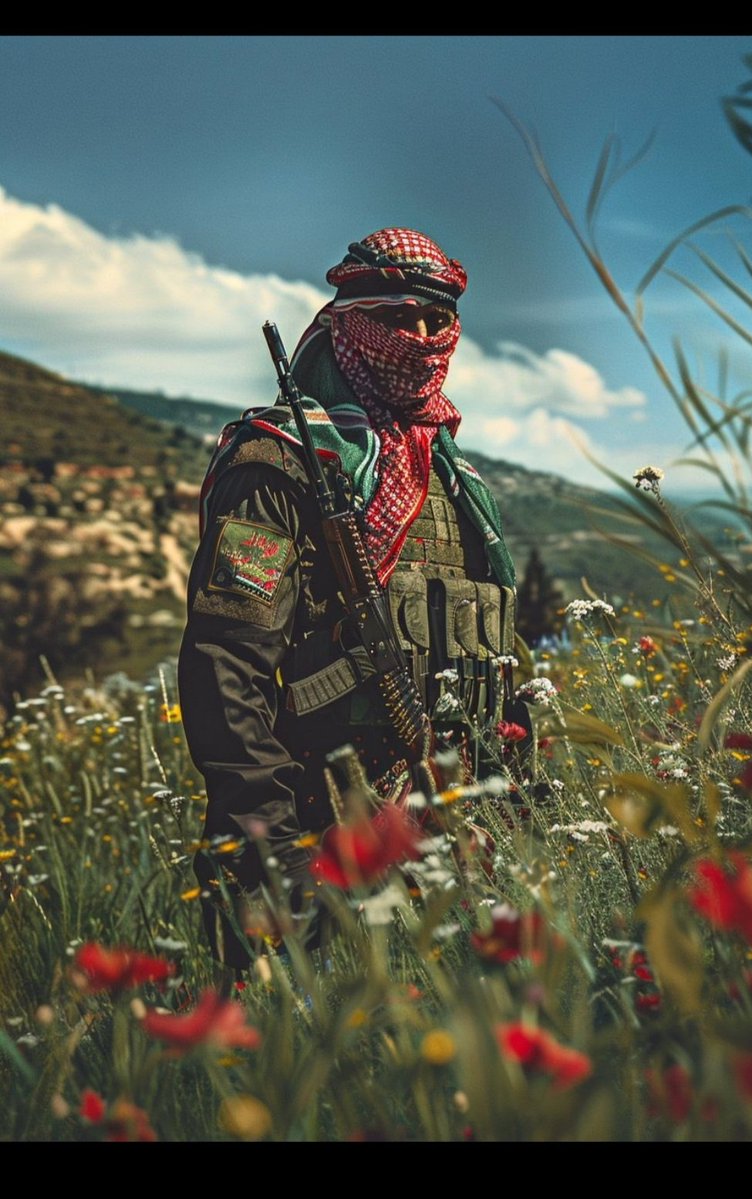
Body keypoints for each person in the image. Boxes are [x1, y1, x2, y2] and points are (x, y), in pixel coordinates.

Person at [178, 228, 525, 972]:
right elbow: (225, 668)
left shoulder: (459, 485)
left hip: (458, 844)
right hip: (318, 834)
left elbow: (492, 661)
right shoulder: (277, 466)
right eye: (398, 318)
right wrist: (270, 845)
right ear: (350, 326)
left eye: (437, 319)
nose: (422, 338)